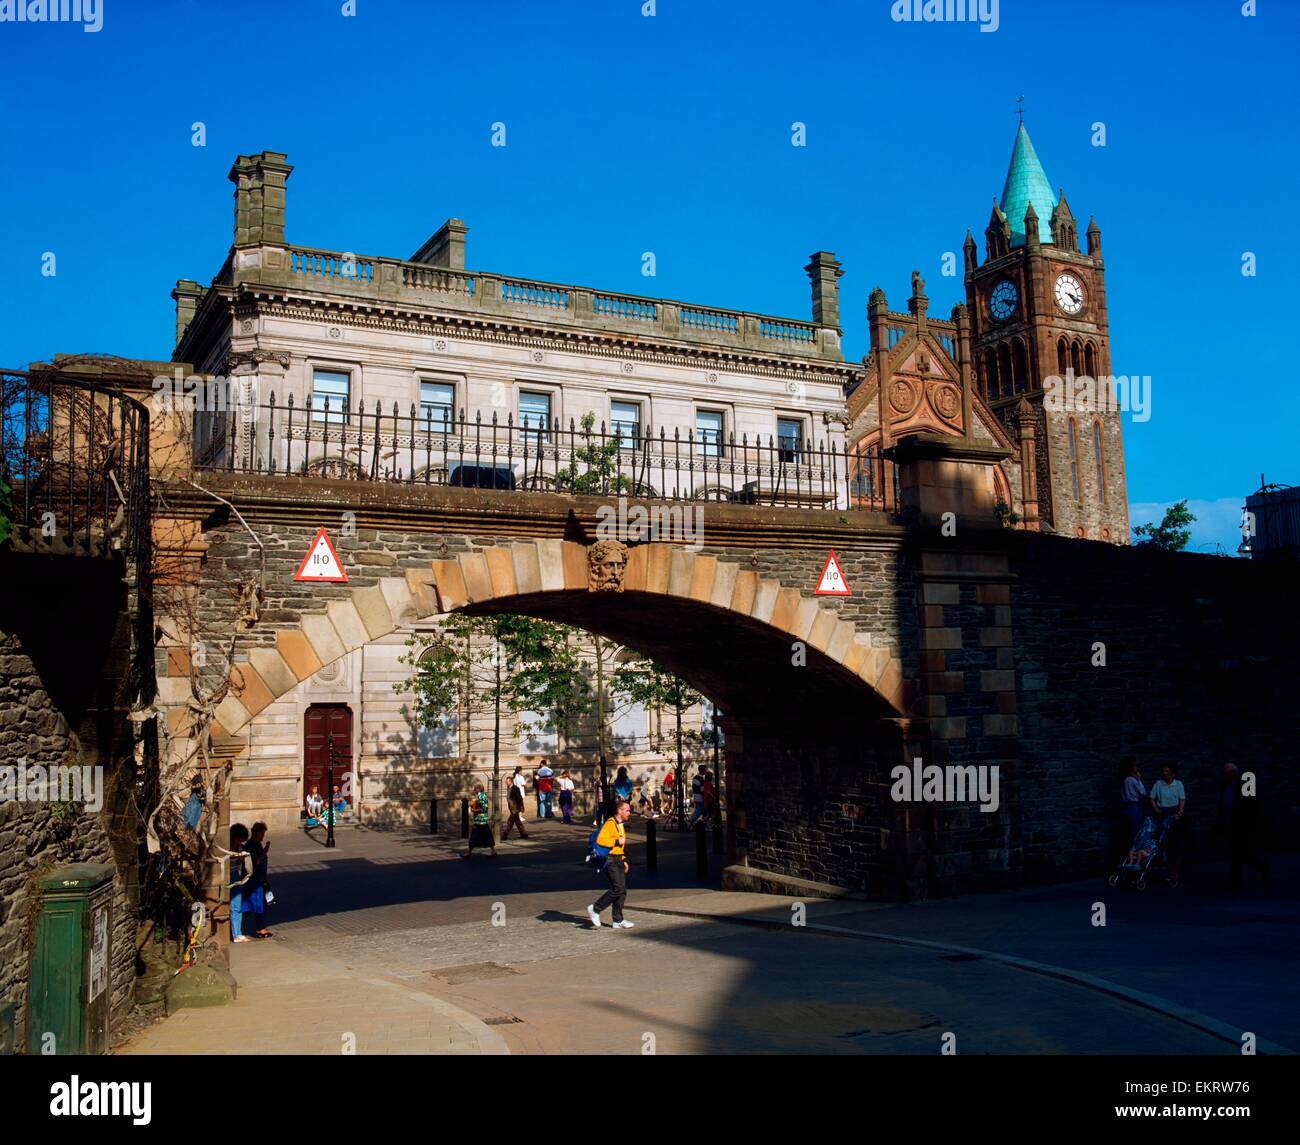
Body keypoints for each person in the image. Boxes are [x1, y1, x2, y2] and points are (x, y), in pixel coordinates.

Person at [1217, 762, 1269, 887]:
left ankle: (1236, 877)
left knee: (1240, 852)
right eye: (1226, 773)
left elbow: (1253, 806)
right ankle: (1255, 870)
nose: (1227, 775)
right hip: (1231, 823)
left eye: (1230, 773)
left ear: (1235, 773)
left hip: (1241, 825)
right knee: (1240, 852)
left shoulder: (1244, 785)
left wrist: (1250, 824)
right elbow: (1223, 804)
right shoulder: (1225, 786)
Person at [587, 798, 634, 929]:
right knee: (617, 887)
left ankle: (618, 920)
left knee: (622, 890)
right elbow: (602, 840)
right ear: (619, 811)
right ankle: (595, 908)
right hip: (609, 860)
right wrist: (617, 841)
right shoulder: (610, 823)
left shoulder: (620, 824)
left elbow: (620, 847)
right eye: (627, 810)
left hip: (618, 859)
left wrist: (624, 859)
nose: (629, 813)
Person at [1149, 764, 1187, 887]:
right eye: (1163, 771)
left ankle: (1175, 875)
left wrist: (1180, 813)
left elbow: (1182, 799)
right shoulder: (1158, 784)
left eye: (1167, 771)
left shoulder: (1178, 784)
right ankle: (1169, 874)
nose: (1164, 773)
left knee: (1176, 846)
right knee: (1165, 846)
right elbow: (1151, 797)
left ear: (1172, 774)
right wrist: (1156, 809)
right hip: (1163, 814)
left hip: (1175, 815)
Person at [242, 821, 273, 937]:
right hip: (253, 881)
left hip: (259, 879)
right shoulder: (251, 846)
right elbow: (254, 862)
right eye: (261, 834)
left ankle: (259, 927)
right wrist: (264, 852)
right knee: (257, 904)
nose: (263, 837)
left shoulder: (256, 844)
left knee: (253, 905)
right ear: (255, 833)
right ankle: (261, 928)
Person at [228, 823, 252, 943]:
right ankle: (235, 932)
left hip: (235, 876)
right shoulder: (227, 847)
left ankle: (237, 933)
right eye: (238, 839)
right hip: (227, 876)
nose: (239, 842)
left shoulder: (240, 848)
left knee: (236, 905)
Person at [463, 783, 497, 858]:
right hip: (481, 820)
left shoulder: (481, 795)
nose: (474, 790)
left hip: (480, 820)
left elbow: (484, 808)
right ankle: (493, 851)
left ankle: (469, 853)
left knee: (474, 836)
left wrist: (474, 810)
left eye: (475, 788)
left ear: (478, 789)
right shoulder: (480, 795)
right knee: (487, 835)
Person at [1119, 758, 1146, 838]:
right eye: (1135, 766)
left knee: (1129, 831)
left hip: (1126, 807)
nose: (1137, 768)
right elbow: (1143, 792)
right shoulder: (1132, 780)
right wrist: (1139, 779)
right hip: (1134, 807)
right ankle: (1135, 850)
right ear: (1131, 768)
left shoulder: (1123, 779)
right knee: (1137, 831)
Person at [502, 769, 529, 840]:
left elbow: (519, 798)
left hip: (515, 808)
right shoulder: (509, 788)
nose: (506, 782)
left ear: (510, 781)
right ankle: (524, 834)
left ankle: (505, 835)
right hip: (512, 808)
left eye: (507, 781)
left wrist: (521, 806)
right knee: (517, 822)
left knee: (510, 822)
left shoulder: (515, 788)